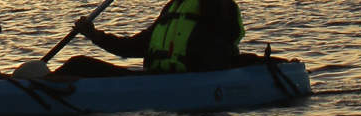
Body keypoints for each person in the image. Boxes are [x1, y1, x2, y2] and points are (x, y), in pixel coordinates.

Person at [55, 0, 245, 78]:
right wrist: (93, 34)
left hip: (190, 82)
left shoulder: (216, 6)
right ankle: (36, 85)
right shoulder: (173, 7)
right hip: (157, 78)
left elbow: (226, 40)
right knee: (78, 64)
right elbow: (131, 48)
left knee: (77, 64)